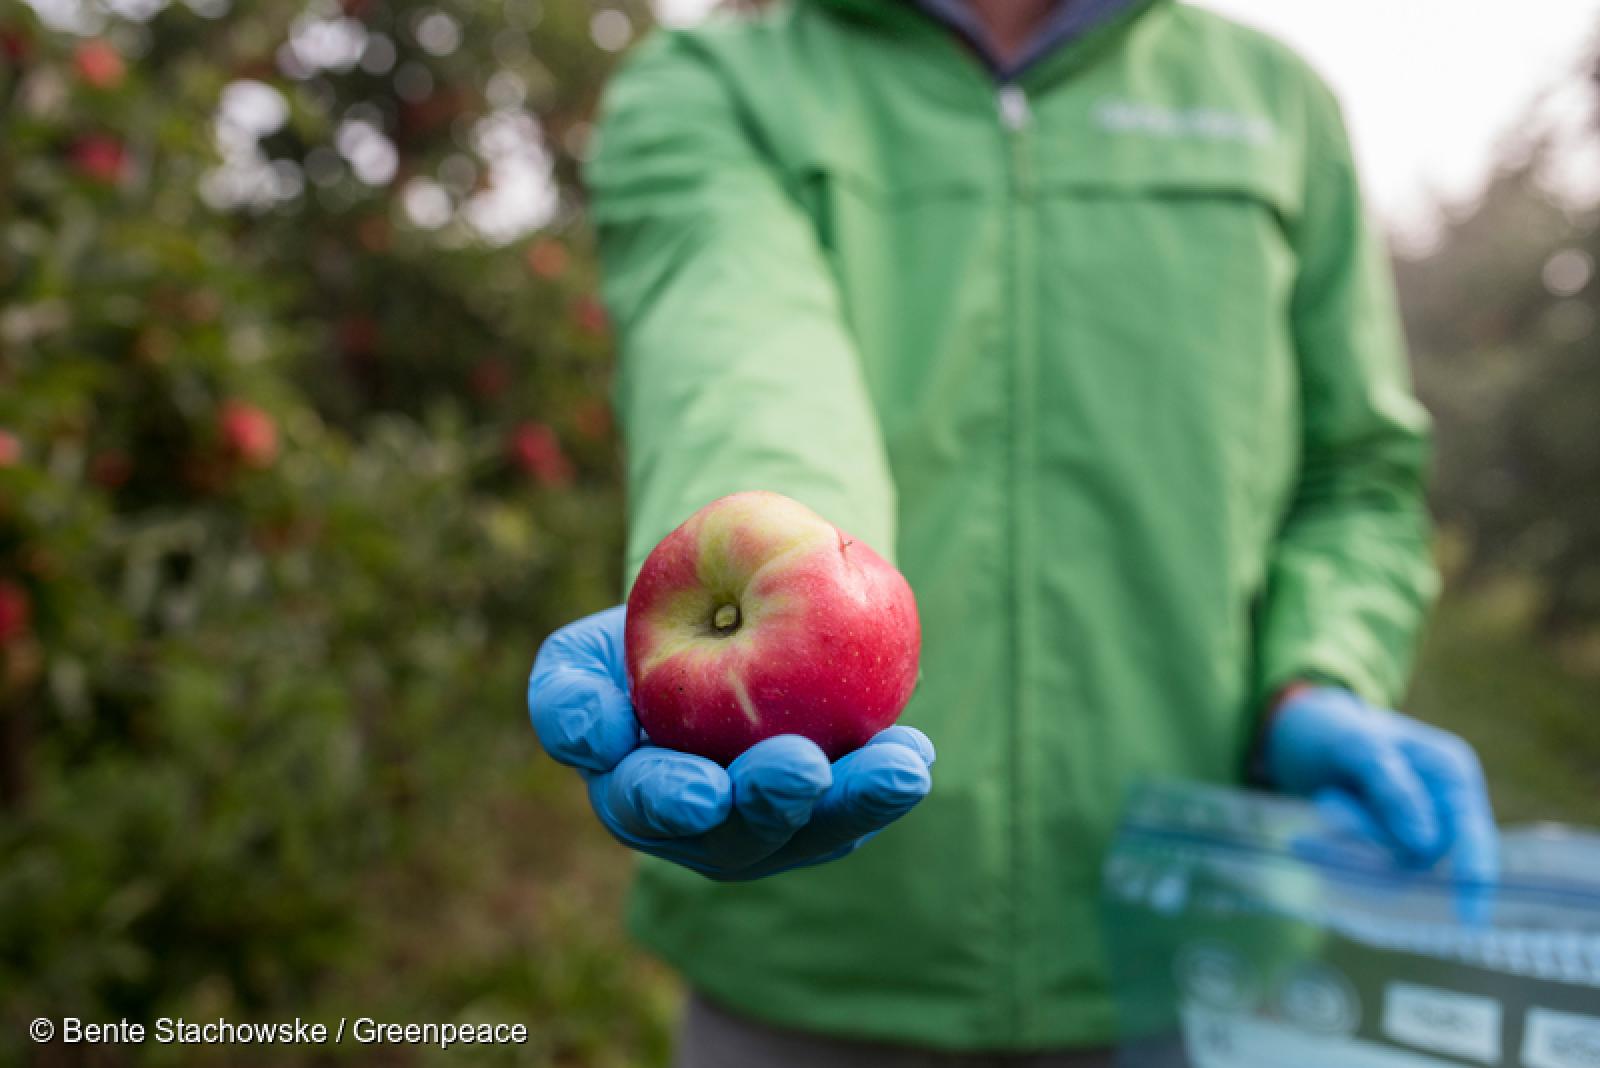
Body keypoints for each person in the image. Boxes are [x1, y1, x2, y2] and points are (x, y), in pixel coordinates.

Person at [527, 0, 1500, 1063]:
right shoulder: (720, 85)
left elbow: (1355, 472)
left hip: (1187, 954)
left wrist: (1316, 674)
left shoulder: (1275, 106)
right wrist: (782, 589)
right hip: (812, 970)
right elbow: (746, 363)